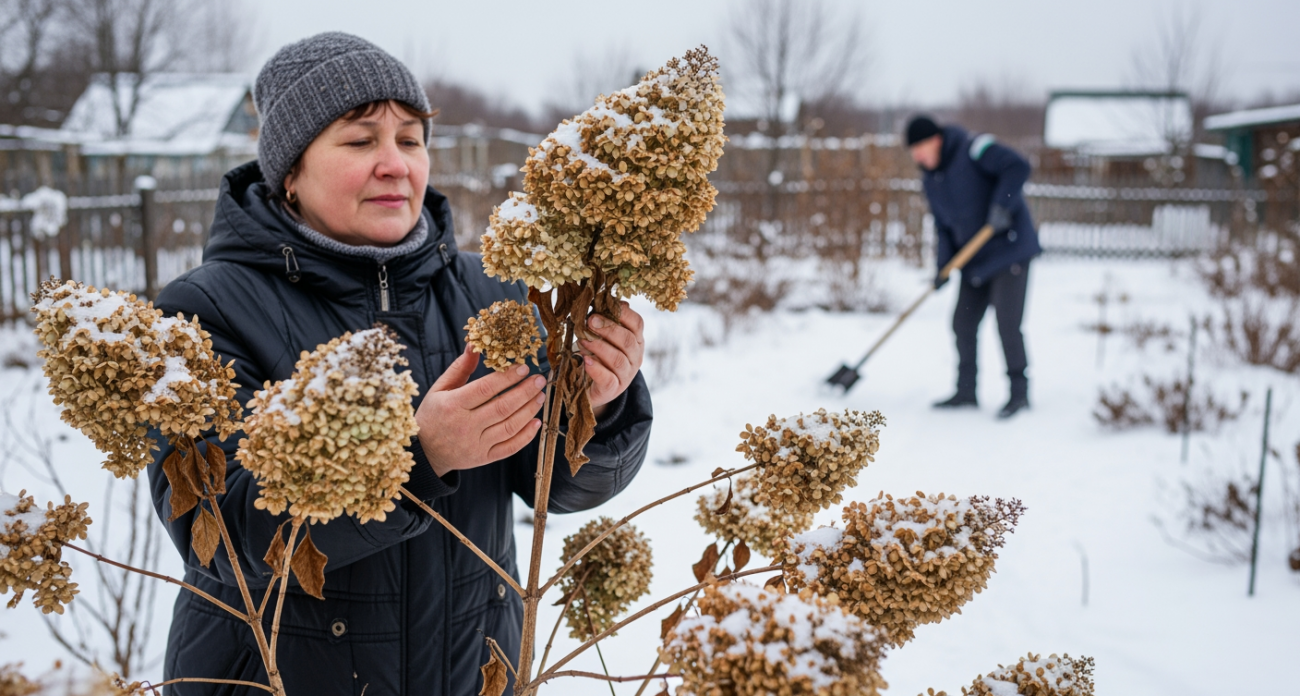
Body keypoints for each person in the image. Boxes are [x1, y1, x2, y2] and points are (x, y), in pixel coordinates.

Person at [145, 33, 653, 695]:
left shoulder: (490, 291)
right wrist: (416, 455)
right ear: (289, 173)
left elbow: (555, 484)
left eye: (410, 140)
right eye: (361, 142)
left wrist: (598, 405)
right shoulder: (205, 311)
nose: (395, 164)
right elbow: (217, 535)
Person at [906, 115, 1041, 419]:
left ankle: (1019, 393)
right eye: (913, 152)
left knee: (1007, 325)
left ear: (936, 140)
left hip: (1009, 251)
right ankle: (966, 391)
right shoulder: (931, 180)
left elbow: (1017, 166)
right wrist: (942, 268)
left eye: (920, 149)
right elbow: (944, 229)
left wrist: (1002, 205)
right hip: (975, 261)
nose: (917, 157)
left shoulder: (974, 148)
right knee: (963, 324)